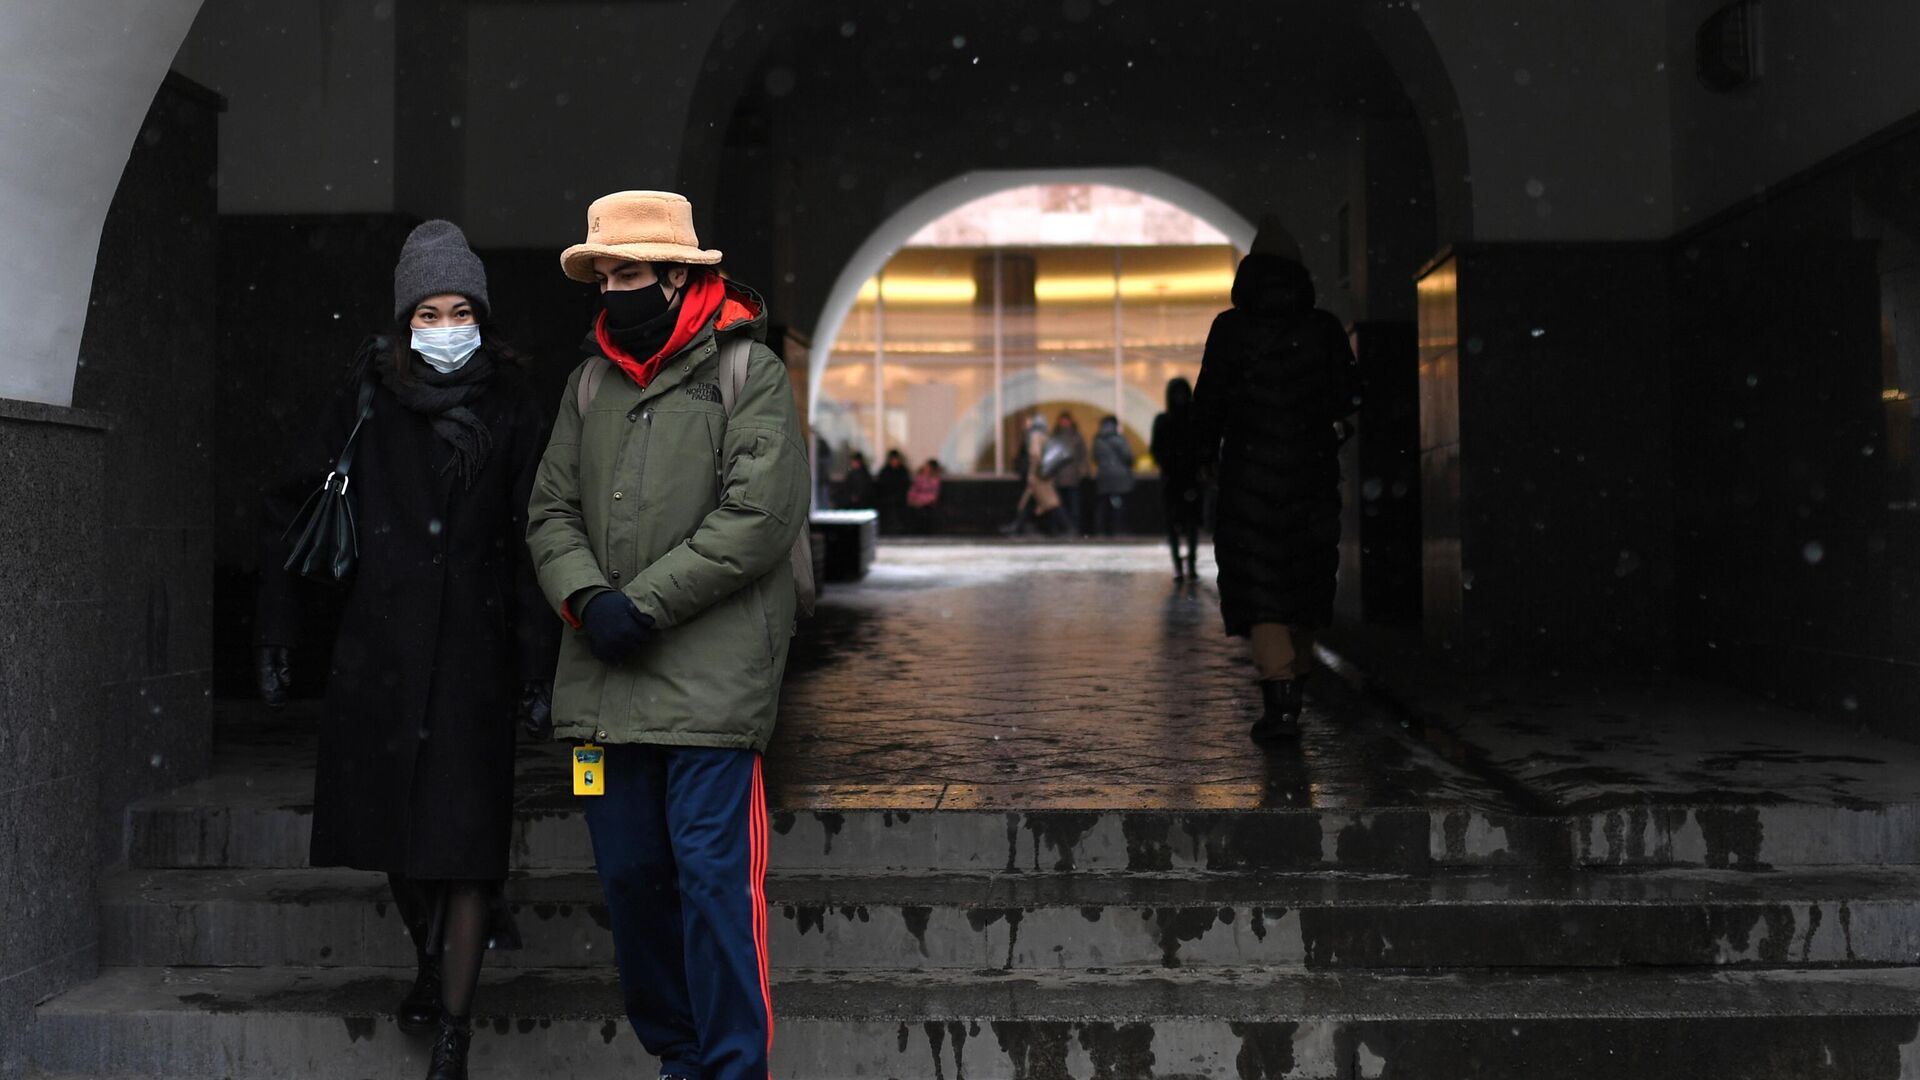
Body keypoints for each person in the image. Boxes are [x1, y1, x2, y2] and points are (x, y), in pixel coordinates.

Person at [254, 220, 558, 1080]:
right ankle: (429, 963)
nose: (447, 325)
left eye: (462, 309)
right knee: (398, 837)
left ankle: (455, 1031)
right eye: (431, 310)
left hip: (476, 661)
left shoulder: (513, 406)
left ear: (482, 316)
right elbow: (290, 505)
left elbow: (537, 534)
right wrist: (277, 630)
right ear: (405, 318)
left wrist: (539, 665)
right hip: (379, 656)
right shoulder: (365, 395)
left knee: (466, 847)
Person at [526, 190, 809, 1080]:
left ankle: (731, 1070)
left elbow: (758, 517)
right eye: (604, 276)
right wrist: (585, 599)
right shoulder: (588, 383)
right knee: (635, 890)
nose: (615, 292)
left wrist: (638, 605)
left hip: (711, 694)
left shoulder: (749, 372)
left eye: (631, 275)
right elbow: (549, 510)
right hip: (607, 694)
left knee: (716, 894)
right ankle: (679, 1060)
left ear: (683, 275)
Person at [1192, 215, 1358, 743]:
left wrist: (1206, 454)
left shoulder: (1230, 328)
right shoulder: (1325, 328)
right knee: (1306, 582)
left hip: (1248, 473)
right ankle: (1297, 686)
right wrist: (1330, 428)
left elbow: (1209, 400)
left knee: (1259, 584)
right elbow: (1349, 397)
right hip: (1311, 471)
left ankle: (1279, 701)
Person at [1152, 377, 1203, 581]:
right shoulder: (1192, 419)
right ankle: (1185, 565)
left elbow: (1156, 448)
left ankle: (1183, 565)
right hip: (1184, 478)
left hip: (1178, 478)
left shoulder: (1166, 420)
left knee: (1180, 524)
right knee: (1185, 524)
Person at [1002, 412, 1069, 536]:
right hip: (1041, 476)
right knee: (1030, 503)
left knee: (1050, 504)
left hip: (1038, 477)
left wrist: (1032, 473)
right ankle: (1017, 526)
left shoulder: (1035, 436)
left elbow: (1035, 454)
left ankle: (1065, 528)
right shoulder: (1044, 435)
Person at [1045, 412, 1090, 535]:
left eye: (1066, 420)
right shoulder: (1055, 437)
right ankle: (1063, 529)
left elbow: (1083, 456)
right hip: (1059, 478)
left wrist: (1081, 472)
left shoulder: (1075, 437)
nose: (1064, 423)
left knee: (1073, 506)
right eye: (1062, 420)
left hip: (1072, 478)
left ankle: (1072, 529)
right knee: (1060, 506)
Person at [1092, 415, 1136, 536]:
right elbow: (1129, 457)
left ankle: (1100, 530)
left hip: (1104, 477)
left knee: (1103, 505)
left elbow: (1095, 458)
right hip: (1120, 478)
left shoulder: (1097, 440)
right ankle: (1118, 530)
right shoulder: (1120, 439)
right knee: (1118, 505)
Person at [874, 448, 912, 532]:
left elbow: (905, 486)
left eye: (896, 459)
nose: (895, 462)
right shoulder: (885, 472)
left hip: (900, 499)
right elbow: (881, 487)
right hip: (886, 499)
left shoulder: (903, 471)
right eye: (893, 459)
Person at [906, 458, 944, 533]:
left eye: (927, 467)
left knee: (924, 513)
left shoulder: (935, 480)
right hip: (916, 503)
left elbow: (933, 496)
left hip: (928, 505)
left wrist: (921, 502)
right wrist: (912, 499)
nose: (925, 468)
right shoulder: (920, 478)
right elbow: (913, 489)